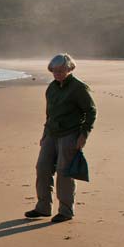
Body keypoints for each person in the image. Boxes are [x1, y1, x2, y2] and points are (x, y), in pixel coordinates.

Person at [25, 53, 96, 223]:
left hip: (70, 134)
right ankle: (43, 208)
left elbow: (91, 111)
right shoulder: (52, 87)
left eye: (61, 70)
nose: (57, 73)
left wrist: (83, 135)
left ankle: (65, 211)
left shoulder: (79, 87)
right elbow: (49, 114)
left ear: (69, 69)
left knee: (65, 173)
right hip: (51, 133)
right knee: (42, 168)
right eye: (54, 70)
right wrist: (44, 135)